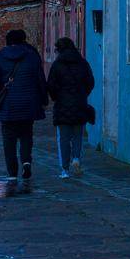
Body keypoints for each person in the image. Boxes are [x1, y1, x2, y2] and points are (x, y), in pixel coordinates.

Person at [0, 28, 47, 184]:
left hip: (8, 106)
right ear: (23, 40)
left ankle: (12, 172)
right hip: (28, 103)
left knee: (8, 140)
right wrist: (44, 100)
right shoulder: (32, 56)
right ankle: (26, 162)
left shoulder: (1, 56)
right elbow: (40, 80)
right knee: (26, 135)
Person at [45, 37, 94, 178]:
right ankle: (76, 159)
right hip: (80, 104)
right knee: (78, 136)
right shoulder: (83, 63)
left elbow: (51, 85)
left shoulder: (57, 65)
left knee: (64, 139)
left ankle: (65, 170)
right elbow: (90, 81)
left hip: (62, 106)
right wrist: (83, 94)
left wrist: (56, 97)